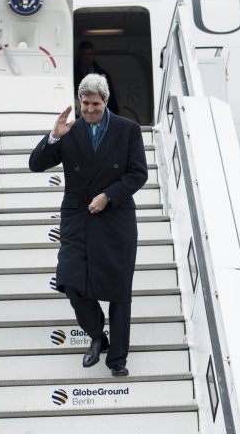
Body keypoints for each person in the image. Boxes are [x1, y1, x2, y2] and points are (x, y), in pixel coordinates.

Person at [29, 74, 147, 377]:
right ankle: (97, 335)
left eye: (95, 103)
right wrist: (54, 136)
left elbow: (138, 174)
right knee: (69, 280)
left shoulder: (127, 130)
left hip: (115, 216)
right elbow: (36, 164)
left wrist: (108, 196)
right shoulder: (70, 130)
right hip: (78, 216)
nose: (90, 109)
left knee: (119, 292)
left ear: (106, 102)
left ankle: (117, 360)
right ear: (79, 102)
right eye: (85, 104)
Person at [74, 41, 119, 114]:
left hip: (99, 118)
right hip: (78, 118)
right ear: (80, 56)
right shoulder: (72, 76)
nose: (87, 57)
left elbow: (112, 103)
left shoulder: (103, 76)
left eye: (89, 54)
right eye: (84, 54)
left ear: (93, 55)